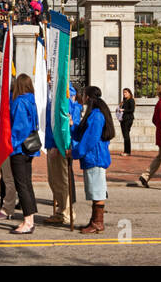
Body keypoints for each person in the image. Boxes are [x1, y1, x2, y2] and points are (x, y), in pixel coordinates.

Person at [72, 85, 115, 234]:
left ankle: (98, 222)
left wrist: (75, 152)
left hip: (95, 157)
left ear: (88, 97)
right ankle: (94, 220)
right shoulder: (95, 114)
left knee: (97, 191)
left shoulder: (96, 115)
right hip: (93, 156)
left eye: (84, 96)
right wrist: (73, 126)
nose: (82, 98)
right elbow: (84, 133)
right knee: (95, 190)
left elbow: (90, 139)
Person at [43, 83, 81, 226]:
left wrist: (55, 144)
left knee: (62, 181)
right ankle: (61, 209)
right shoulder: (51, 97)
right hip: (51, 144)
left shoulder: (67, 98)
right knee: (53, 180)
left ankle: (67, 212)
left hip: (60, 146)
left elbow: (67, 124)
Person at [7, 73, 40, 233]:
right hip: (29, 147)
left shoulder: (20, 101)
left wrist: (10, 145)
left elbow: (19, 128)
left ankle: (27, 221)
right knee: (26, 183)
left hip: (19, 147)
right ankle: (30, 219)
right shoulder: (31, 100)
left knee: (22, 185)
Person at [118, 88, 135, 156]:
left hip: (128, 119)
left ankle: (127, 151)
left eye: (126, 92)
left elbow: (132, 109)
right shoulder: (124, 101)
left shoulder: (131, 100)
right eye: (124, 93)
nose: (124, 94)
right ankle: (126, 151)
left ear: (129, 93)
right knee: (125, 135)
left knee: (126, 135)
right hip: (123, 119)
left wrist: (123, 110)